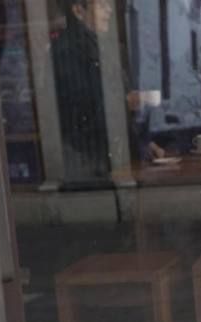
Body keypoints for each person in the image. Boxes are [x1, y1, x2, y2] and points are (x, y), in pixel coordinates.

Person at [52, 0, 164, 184]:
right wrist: (125, 101)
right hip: (89, 166)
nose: (109, 11)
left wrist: (142, 144)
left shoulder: (105, 47)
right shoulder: (67, 52)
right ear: (79, 11)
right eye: (102, 5)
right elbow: (81, 113)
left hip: (110, 162)